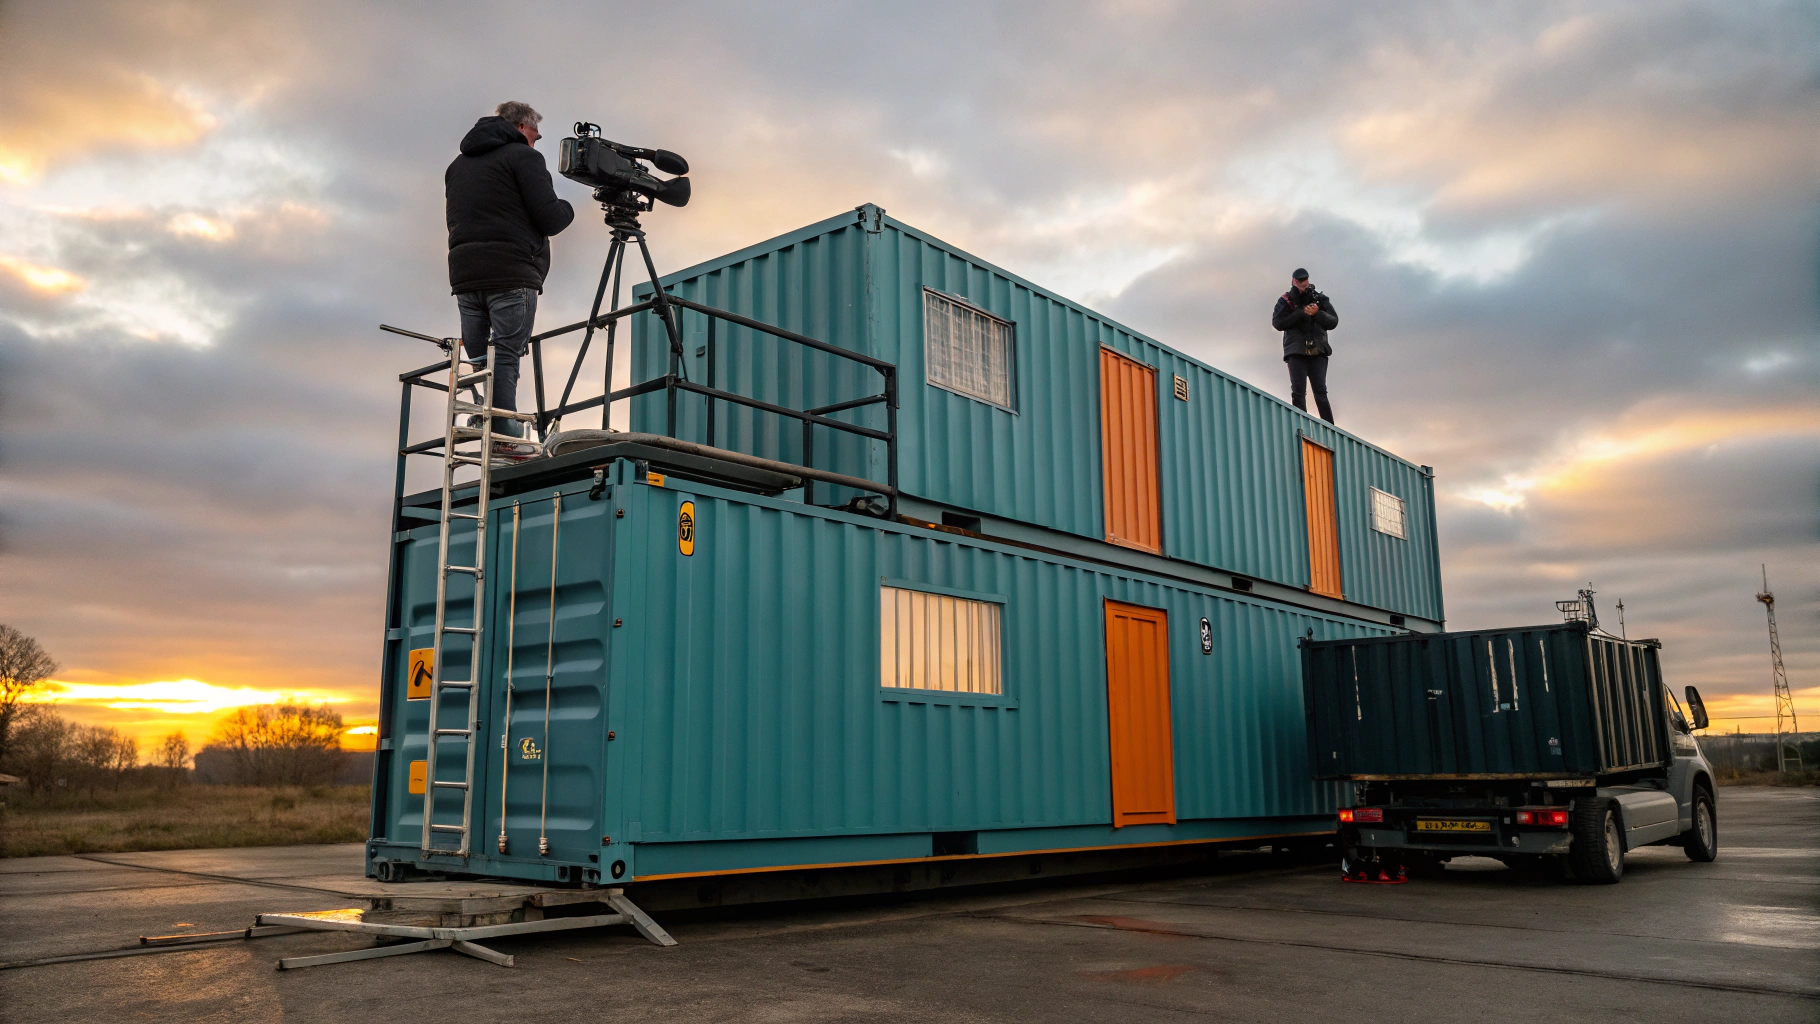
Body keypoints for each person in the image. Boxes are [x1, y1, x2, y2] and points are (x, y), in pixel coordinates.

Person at [445, 101, 575, 440]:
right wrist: (569, 208)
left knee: (478, 356)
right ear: (520, 128)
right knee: (505, 353)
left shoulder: (457, 166)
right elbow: (551, 218)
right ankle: (503, 430)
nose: (536, 141)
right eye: (535, 134)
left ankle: (484, 419)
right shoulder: (524, 157)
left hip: (465, 276)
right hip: (511, 273)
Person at [1271, 267, 1338, 424]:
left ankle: (1331, 427)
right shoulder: (1285, 301)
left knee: (1320, 391)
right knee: (1299, 392)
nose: (1303, 284)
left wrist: (1317, 313)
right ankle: (1300, 425)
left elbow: (1333, 321)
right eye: (1300, 281)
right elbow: (1278, 323)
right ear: (1294, 281)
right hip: (1296, 352)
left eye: (1305, 281)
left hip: (1318, 352)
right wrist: (1300, 313)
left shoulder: (1320, 299)